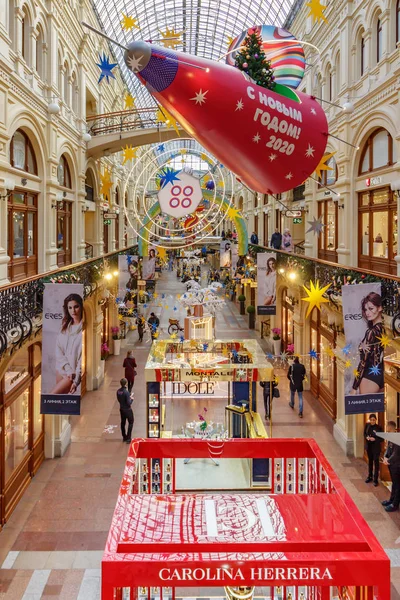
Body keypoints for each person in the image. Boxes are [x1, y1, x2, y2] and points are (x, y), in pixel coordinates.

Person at [352, 292, 385, 395]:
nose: (367, 313)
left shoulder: (372, 332)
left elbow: (364, 361)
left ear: (380, 308)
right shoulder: (383, 329)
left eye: (371, 308)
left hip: (370, 376)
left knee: (365, 409)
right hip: (381, 374)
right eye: (366, 309)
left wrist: (354, 387)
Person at [51, 293, 83, 395]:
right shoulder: (65, 327)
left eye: (76, 307)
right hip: (61, 369)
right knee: (59, 401)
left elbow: (82, 358)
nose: (73, 311)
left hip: (72, 374)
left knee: (53, 396)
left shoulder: (84, 329)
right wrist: (67, 368)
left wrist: (76, 379)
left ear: (81, 307)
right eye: (70, 308)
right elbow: (58, 349)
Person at [382, 421, 400, 511]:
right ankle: (391, 500)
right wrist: (385, 457)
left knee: (397, 485)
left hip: (397, 465)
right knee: (394, 483)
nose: (386, 427)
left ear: (390, 427)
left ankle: (395, 504)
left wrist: (388, 461)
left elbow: (396, 454)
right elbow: (388, 448)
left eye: (387, 426)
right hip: (391, 465)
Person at [364, 414, 383, 486]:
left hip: (376, 447)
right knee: (370, 462)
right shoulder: (367, 425)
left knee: (376, 462)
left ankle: (375, 479)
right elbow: (365, 433)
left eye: (374, 420)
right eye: (371, 420)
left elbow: (381, 438)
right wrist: (367, 437)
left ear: (376, 420)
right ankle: (370, 476)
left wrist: (375, 439)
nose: (372, 421)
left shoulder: (379, 428)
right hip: (369, 447)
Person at [117, 378, 134, 443]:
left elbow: (119, 400)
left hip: (121, 409)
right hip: (127, 409)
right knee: (131, 422)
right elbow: (129, 403)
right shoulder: (126, 392)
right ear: (126, 383)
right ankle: (128, 438)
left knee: (123, 423)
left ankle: (124, 436)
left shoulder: (118, 391)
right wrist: (131, 399)